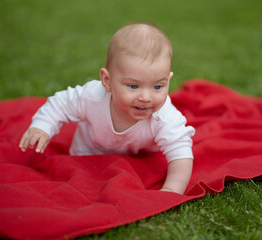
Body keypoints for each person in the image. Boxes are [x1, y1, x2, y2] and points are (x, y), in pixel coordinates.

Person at [19, 22, 195, 194]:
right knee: (73, 189)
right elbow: (61, 103)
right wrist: (41, 127)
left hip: (136, 159)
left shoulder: (164, 115)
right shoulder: (92, 97)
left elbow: (181, 151)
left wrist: (172, 189)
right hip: (85, 157)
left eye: (158, 87)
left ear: (168, 80)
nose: (146, 98)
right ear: (107, 81)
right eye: (133, 86)